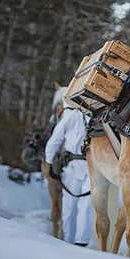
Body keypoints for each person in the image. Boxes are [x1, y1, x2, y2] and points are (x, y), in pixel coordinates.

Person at [45, 100, 94, 246]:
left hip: (89, 167)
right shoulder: (78, 116)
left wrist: (49, 162)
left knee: (76, 206)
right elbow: (55, 140)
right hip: (81, 167)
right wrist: (50, 160)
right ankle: (74, 241)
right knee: (80, 206)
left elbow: (54, 141)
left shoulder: (72, 116)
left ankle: (76, 242)